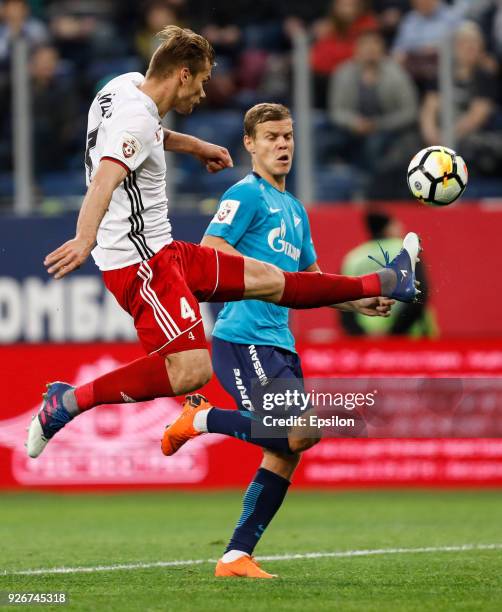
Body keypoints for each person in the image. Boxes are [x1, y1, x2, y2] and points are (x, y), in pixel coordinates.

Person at [27, 26, 420, 508]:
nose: (205, 91)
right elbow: (106, 177)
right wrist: (84, 238)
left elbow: (150, 133)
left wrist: (196, 146)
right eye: (204, 80)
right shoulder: (133, 115)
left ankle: (385, 281)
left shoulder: (124, 85)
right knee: (192, 371)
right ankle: (66, 403)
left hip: (166, 249)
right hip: (141, 262)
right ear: (183, 74)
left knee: (269, 280)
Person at [160, 104, 410, 578]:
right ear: (250, 145)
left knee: (286, 450)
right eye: (272, 137)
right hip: (243, 336)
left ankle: (236, 555)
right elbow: (212, 249)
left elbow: (308, 281)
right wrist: (266, 276)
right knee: (300, 433)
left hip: (280, 342)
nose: (283, 145)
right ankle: (202, 417)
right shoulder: (245, 194)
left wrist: (357, 304)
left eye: (289, 137)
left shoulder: (295, 210)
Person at [327, 28, 418, 181]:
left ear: (382, 49)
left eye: (375, 44)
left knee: (374, 145)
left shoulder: (397, 74)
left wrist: (378, 124)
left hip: (387, 129)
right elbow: (336, 111)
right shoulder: (343, 73)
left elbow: (409, 111)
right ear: (357, 49)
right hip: (351, 129)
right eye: (365, 45)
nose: (370, 49)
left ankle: (372, 189)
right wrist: (354, 122)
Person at [341, 210, 435, 337]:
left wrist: (362, 335)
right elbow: (420, 292)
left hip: (368, 341)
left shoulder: (353, 258)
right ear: (388, 228)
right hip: (410, 337)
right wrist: (393, 333)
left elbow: (344, 304)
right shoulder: (405, 250)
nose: (401, 227)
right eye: (396, 224)